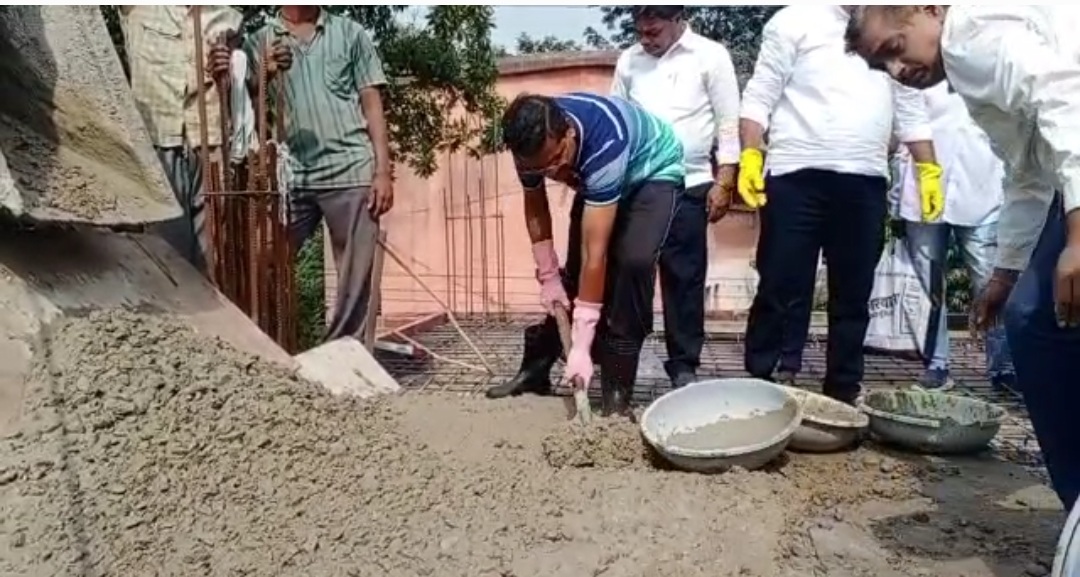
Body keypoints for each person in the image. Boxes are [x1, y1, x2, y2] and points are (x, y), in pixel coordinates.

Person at [842, 4, 1080, 513]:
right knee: (1032, 320)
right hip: (1059, 185)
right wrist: (1006, 272)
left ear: (929, 9)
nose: (897, 72)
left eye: (894, 49)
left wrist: (1079, 236)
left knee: (1041, 325)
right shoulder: (966, 63)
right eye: (880, 66)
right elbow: (1029, 167)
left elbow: (1067, 99)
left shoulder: (969, 38)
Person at [737, 5, 940, 405]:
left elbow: (910, 107)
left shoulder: (896, 22)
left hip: (865, 178)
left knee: (853, 294)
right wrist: (750, 154)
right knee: (779, 284)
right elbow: (760, 95)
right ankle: (758, 383)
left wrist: (929, 168)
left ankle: (843, 392)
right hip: (796, 173)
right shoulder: (794, 21)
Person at [485, 93, 684, 416]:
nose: (553, 172)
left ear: (569, 134)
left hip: (650, 172)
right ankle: (535, 372)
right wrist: (548, 275)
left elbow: (597, 252)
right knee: (572, 277)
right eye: (542, 168)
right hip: (602, 175)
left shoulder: (604, 143)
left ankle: (617, 392)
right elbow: (535, 205)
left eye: (557, 160)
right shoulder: (529, 147)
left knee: (633, 264)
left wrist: (582, 340)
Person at [208, 5, 393, 343]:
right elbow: (241, 99)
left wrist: (382, 170)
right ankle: (264, 345)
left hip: (350, 169)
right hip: (292, 177)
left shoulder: (350, 33)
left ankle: (343, 358)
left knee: (355, 281)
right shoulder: (259, 41)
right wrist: (264, 70)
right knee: (261, 254)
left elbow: (371, 101)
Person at [610, 5, 740, 389]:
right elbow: (619, 119)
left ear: (678, 18)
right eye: (640, 31)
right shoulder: (629, 61)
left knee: (684, 277)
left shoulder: (710, 55)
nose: (645, 40)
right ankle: (622, 357)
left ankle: (683, 365)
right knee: (631, 271)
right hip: (640, 186)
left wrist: (726, 179)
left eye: (654, 32)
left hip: (692, 180)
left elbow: (728, 121)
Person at [894, 82, 1016, 391]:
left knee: (991, 281)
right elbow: (904, 125)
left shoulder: (992, 66)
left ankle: (1003, 367)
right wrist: (896, 190)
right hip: (923, 191)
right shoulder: (919, 64)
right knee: (929, 286)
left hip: (983, 188)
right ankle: (936, 365)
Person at [119, 5, 242, 271]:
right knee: (166, 254)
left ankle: (211, 310)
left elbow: (239, 79)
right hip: (159, 138)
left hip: (210, 143)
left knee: (212, 257)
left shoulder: (228, 16)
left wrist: (227, 66)